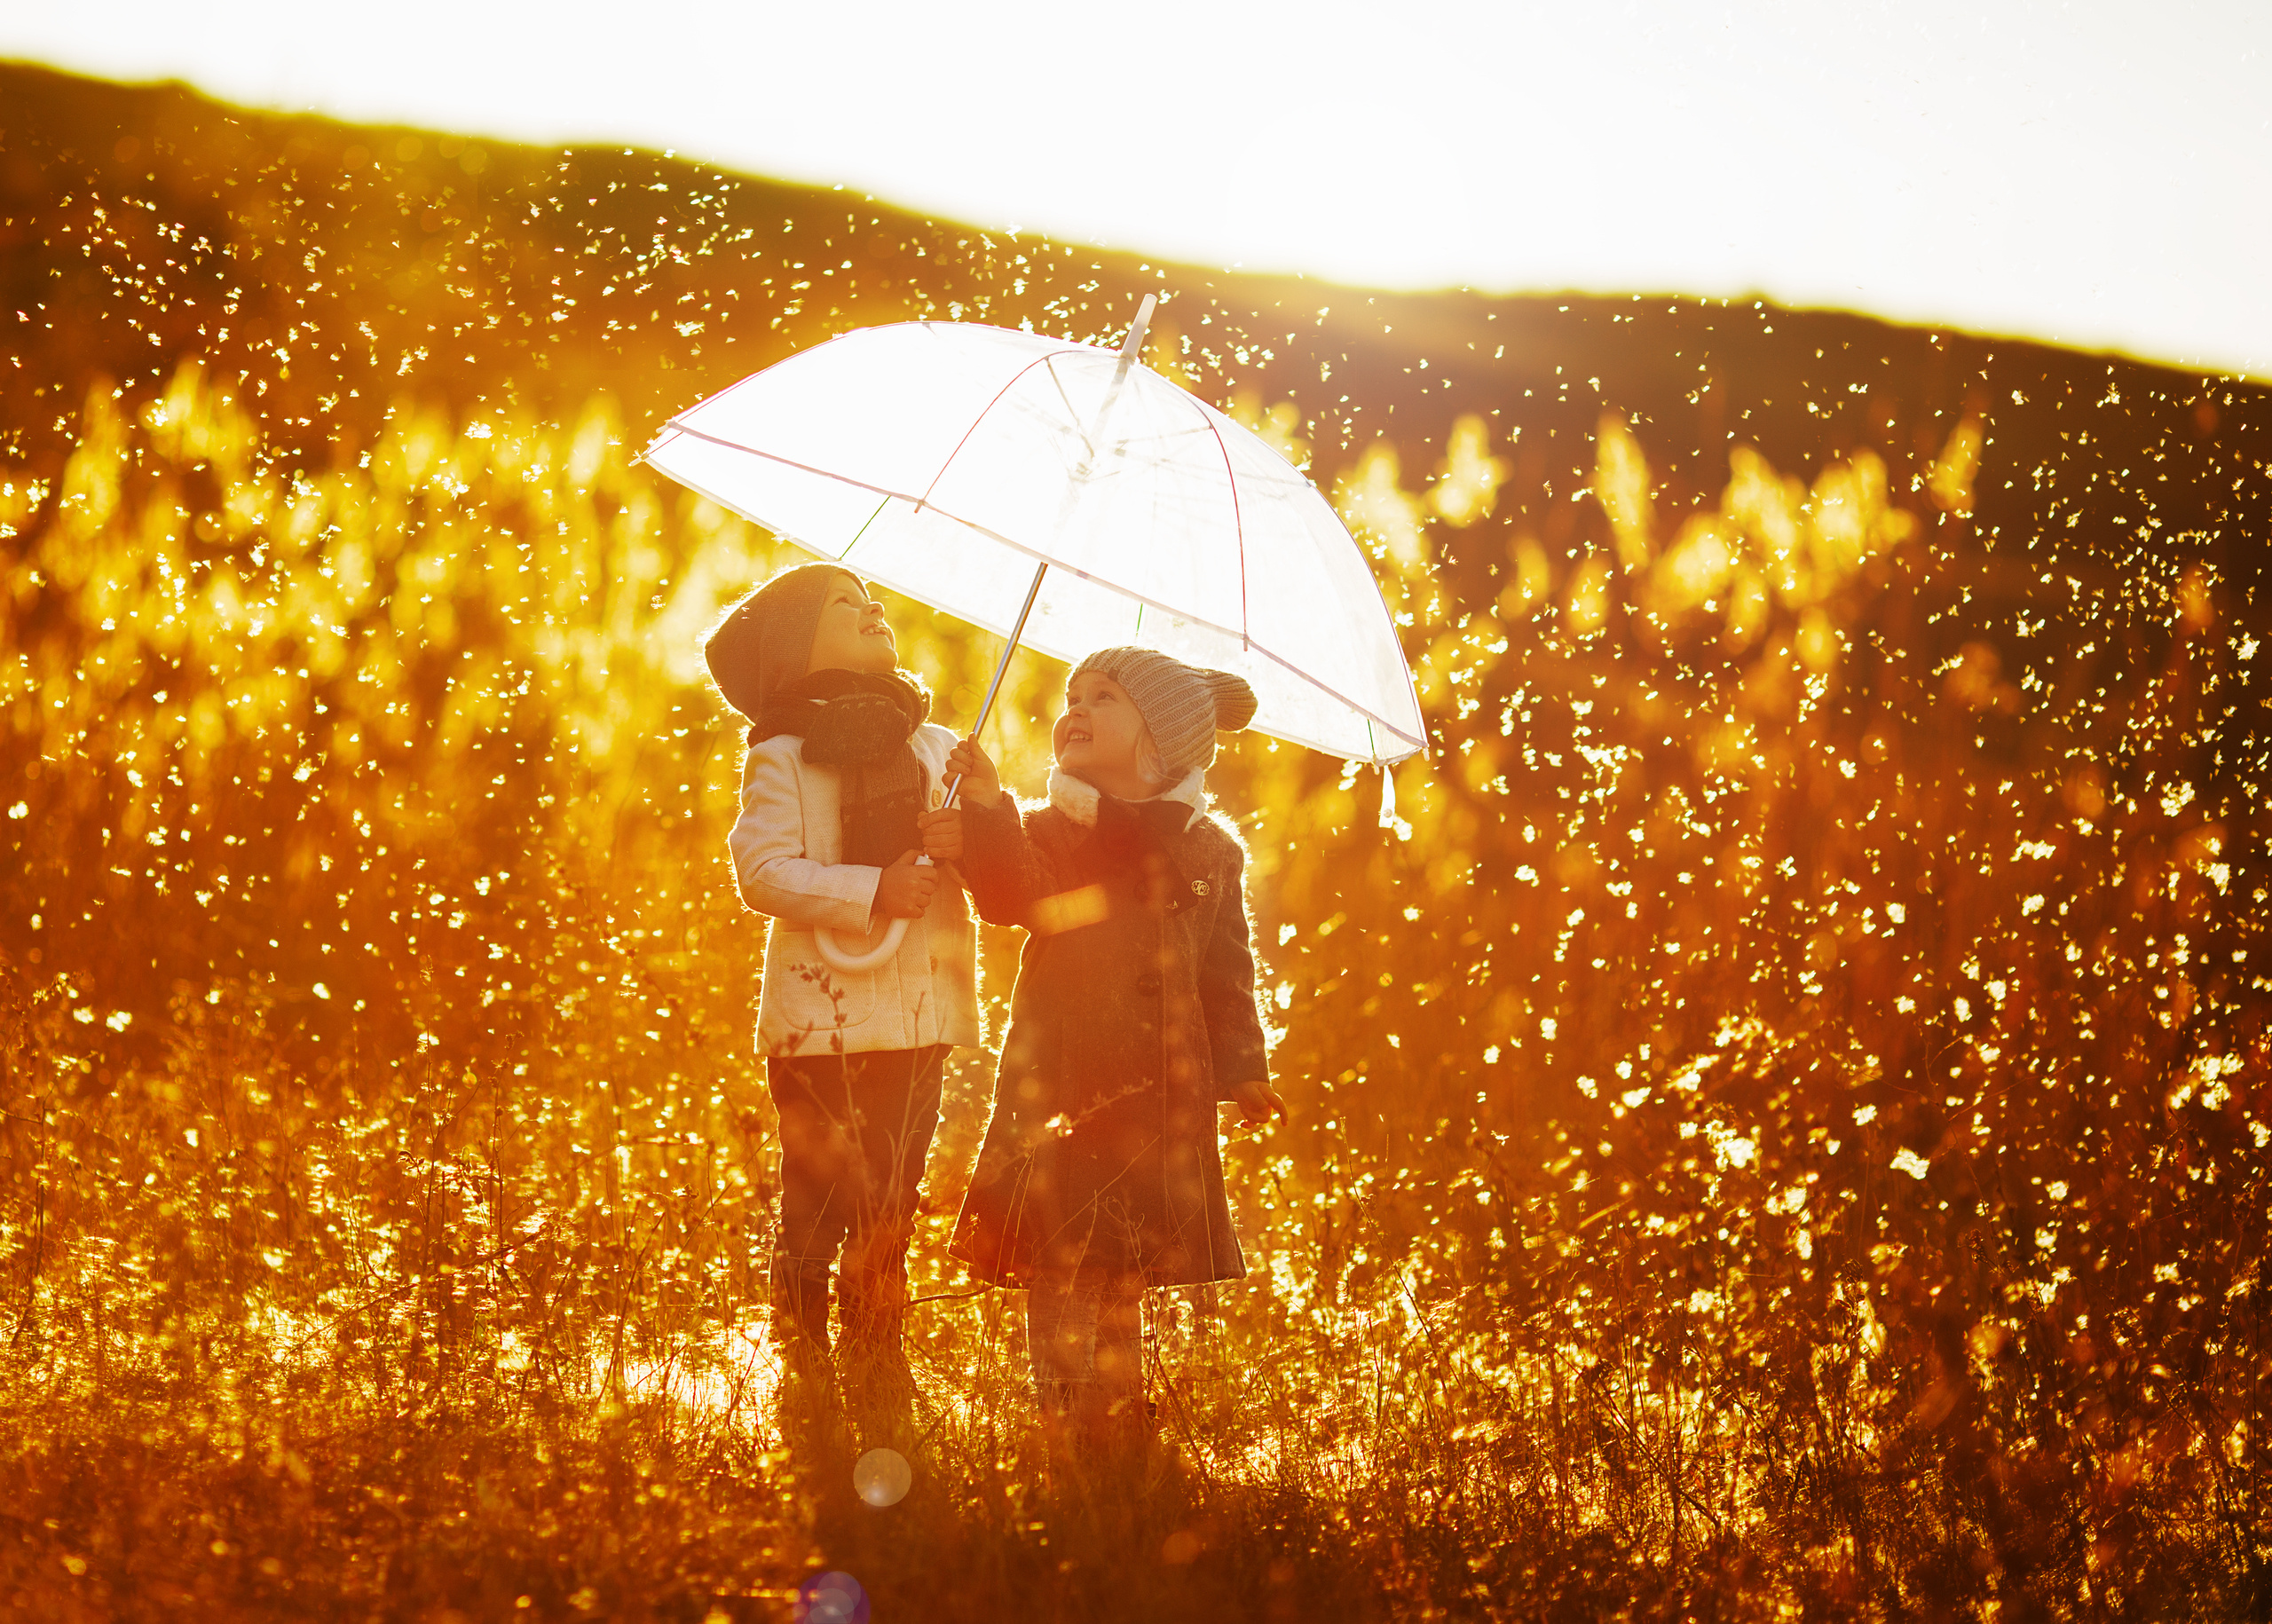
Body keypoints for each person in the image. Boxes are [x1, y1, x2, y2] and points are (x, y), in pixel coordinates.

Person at [917, 646, 1284, 1468]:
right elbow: (1017, 898)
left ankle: (1113, 1413)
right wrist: (984, 807)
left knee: (1124, 1265)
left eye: (1105, 697)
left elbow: (1227, 969)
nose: (1075, 708)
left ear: (1160, 740)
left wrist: (1244, 1070)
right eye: (1073, 694)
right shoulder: (1054, 827)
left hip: (1162, 1089)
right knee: (1059, 1250)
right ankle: (1059, 1406)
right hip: (1065, 1076)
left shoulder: (1207, 848)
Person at [705, 563, 980, 1427]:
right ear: (790, 652)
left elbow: (983, 866)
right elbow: (763, 871)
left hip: (918, 1013)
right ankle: (803, 1364)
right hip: (822, 1021)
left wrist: (981, 811)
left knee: (891, 1200)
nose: (871, 610)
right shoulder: (783, 755)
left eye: (874, 602)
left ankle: (877, 1357)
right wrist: (870, 888)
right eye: (843, 605)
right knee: (816, 1203)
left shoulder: (937, 750)